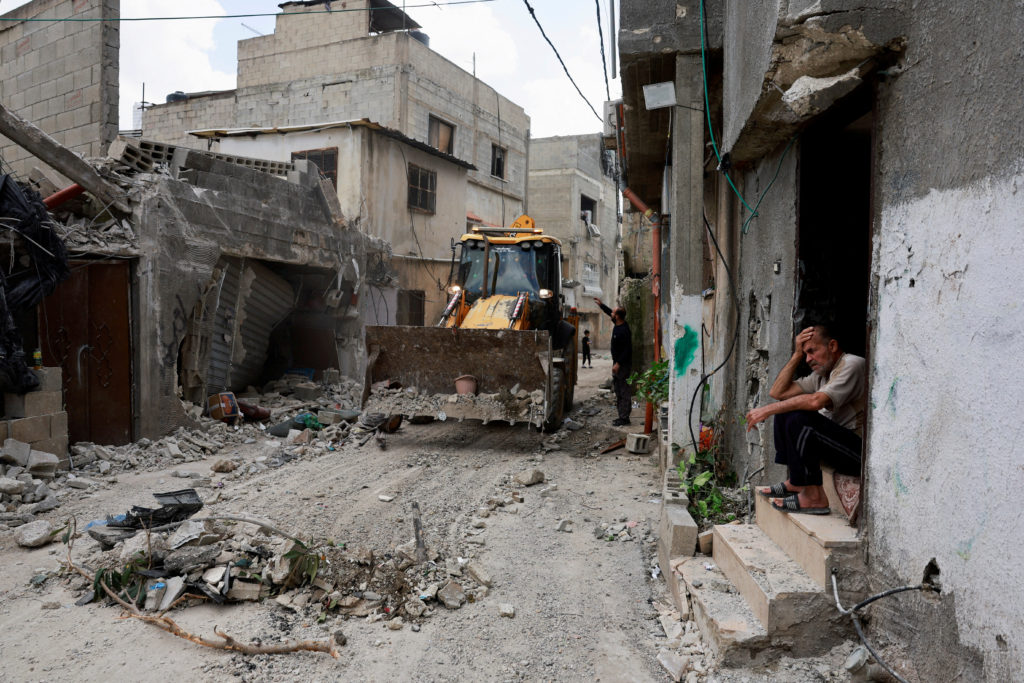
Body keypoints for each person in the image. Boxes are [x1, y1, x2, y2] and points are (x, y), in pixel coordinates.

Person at [744, 324, 865, 515]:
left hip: (860, 453)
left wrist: (767, 410)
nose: (808, 359)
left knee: (801, 418)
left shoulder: (852, 364)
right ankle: (796, 482)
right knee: (787, 408)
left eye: (812, 351)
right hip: (837, 447)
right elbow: (778, 392)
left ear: (832, 346)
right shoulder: (820, 376)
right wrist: (796, 355)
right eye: (805, 354)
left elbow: (816, 401)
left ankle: (814, 496)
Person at [594, 298, 632, 426]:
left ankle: (625, 417)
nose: (611, 314)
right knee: (618, 390)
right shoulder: (618, 323)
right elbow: (609, 311)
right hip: (617, 364)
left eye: (613, 313)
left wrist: (618, 364)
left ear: (617, 316)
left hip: (623, 366)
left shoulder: (624, 330)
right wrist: (601, 305)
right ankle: (622, 416)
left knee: (624, 391)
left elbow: (627, 350)